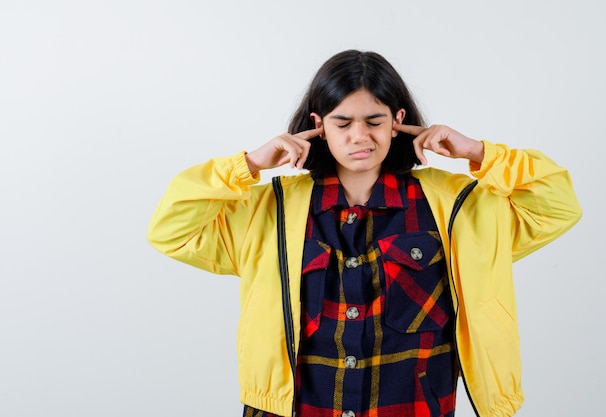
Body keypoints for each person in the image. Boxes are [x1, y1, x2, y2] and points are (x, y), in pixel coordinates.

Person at [147, 50, 582, 417]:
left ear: (398, 120)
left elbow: (557, 204)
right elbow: (171, 229)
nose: (361, 136)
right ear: (318, 125)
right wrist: (249, 165)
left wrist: (478, 153)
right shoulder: (270, 211)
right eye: (343, 123)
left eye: (374, 121)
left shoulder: (459, 208)